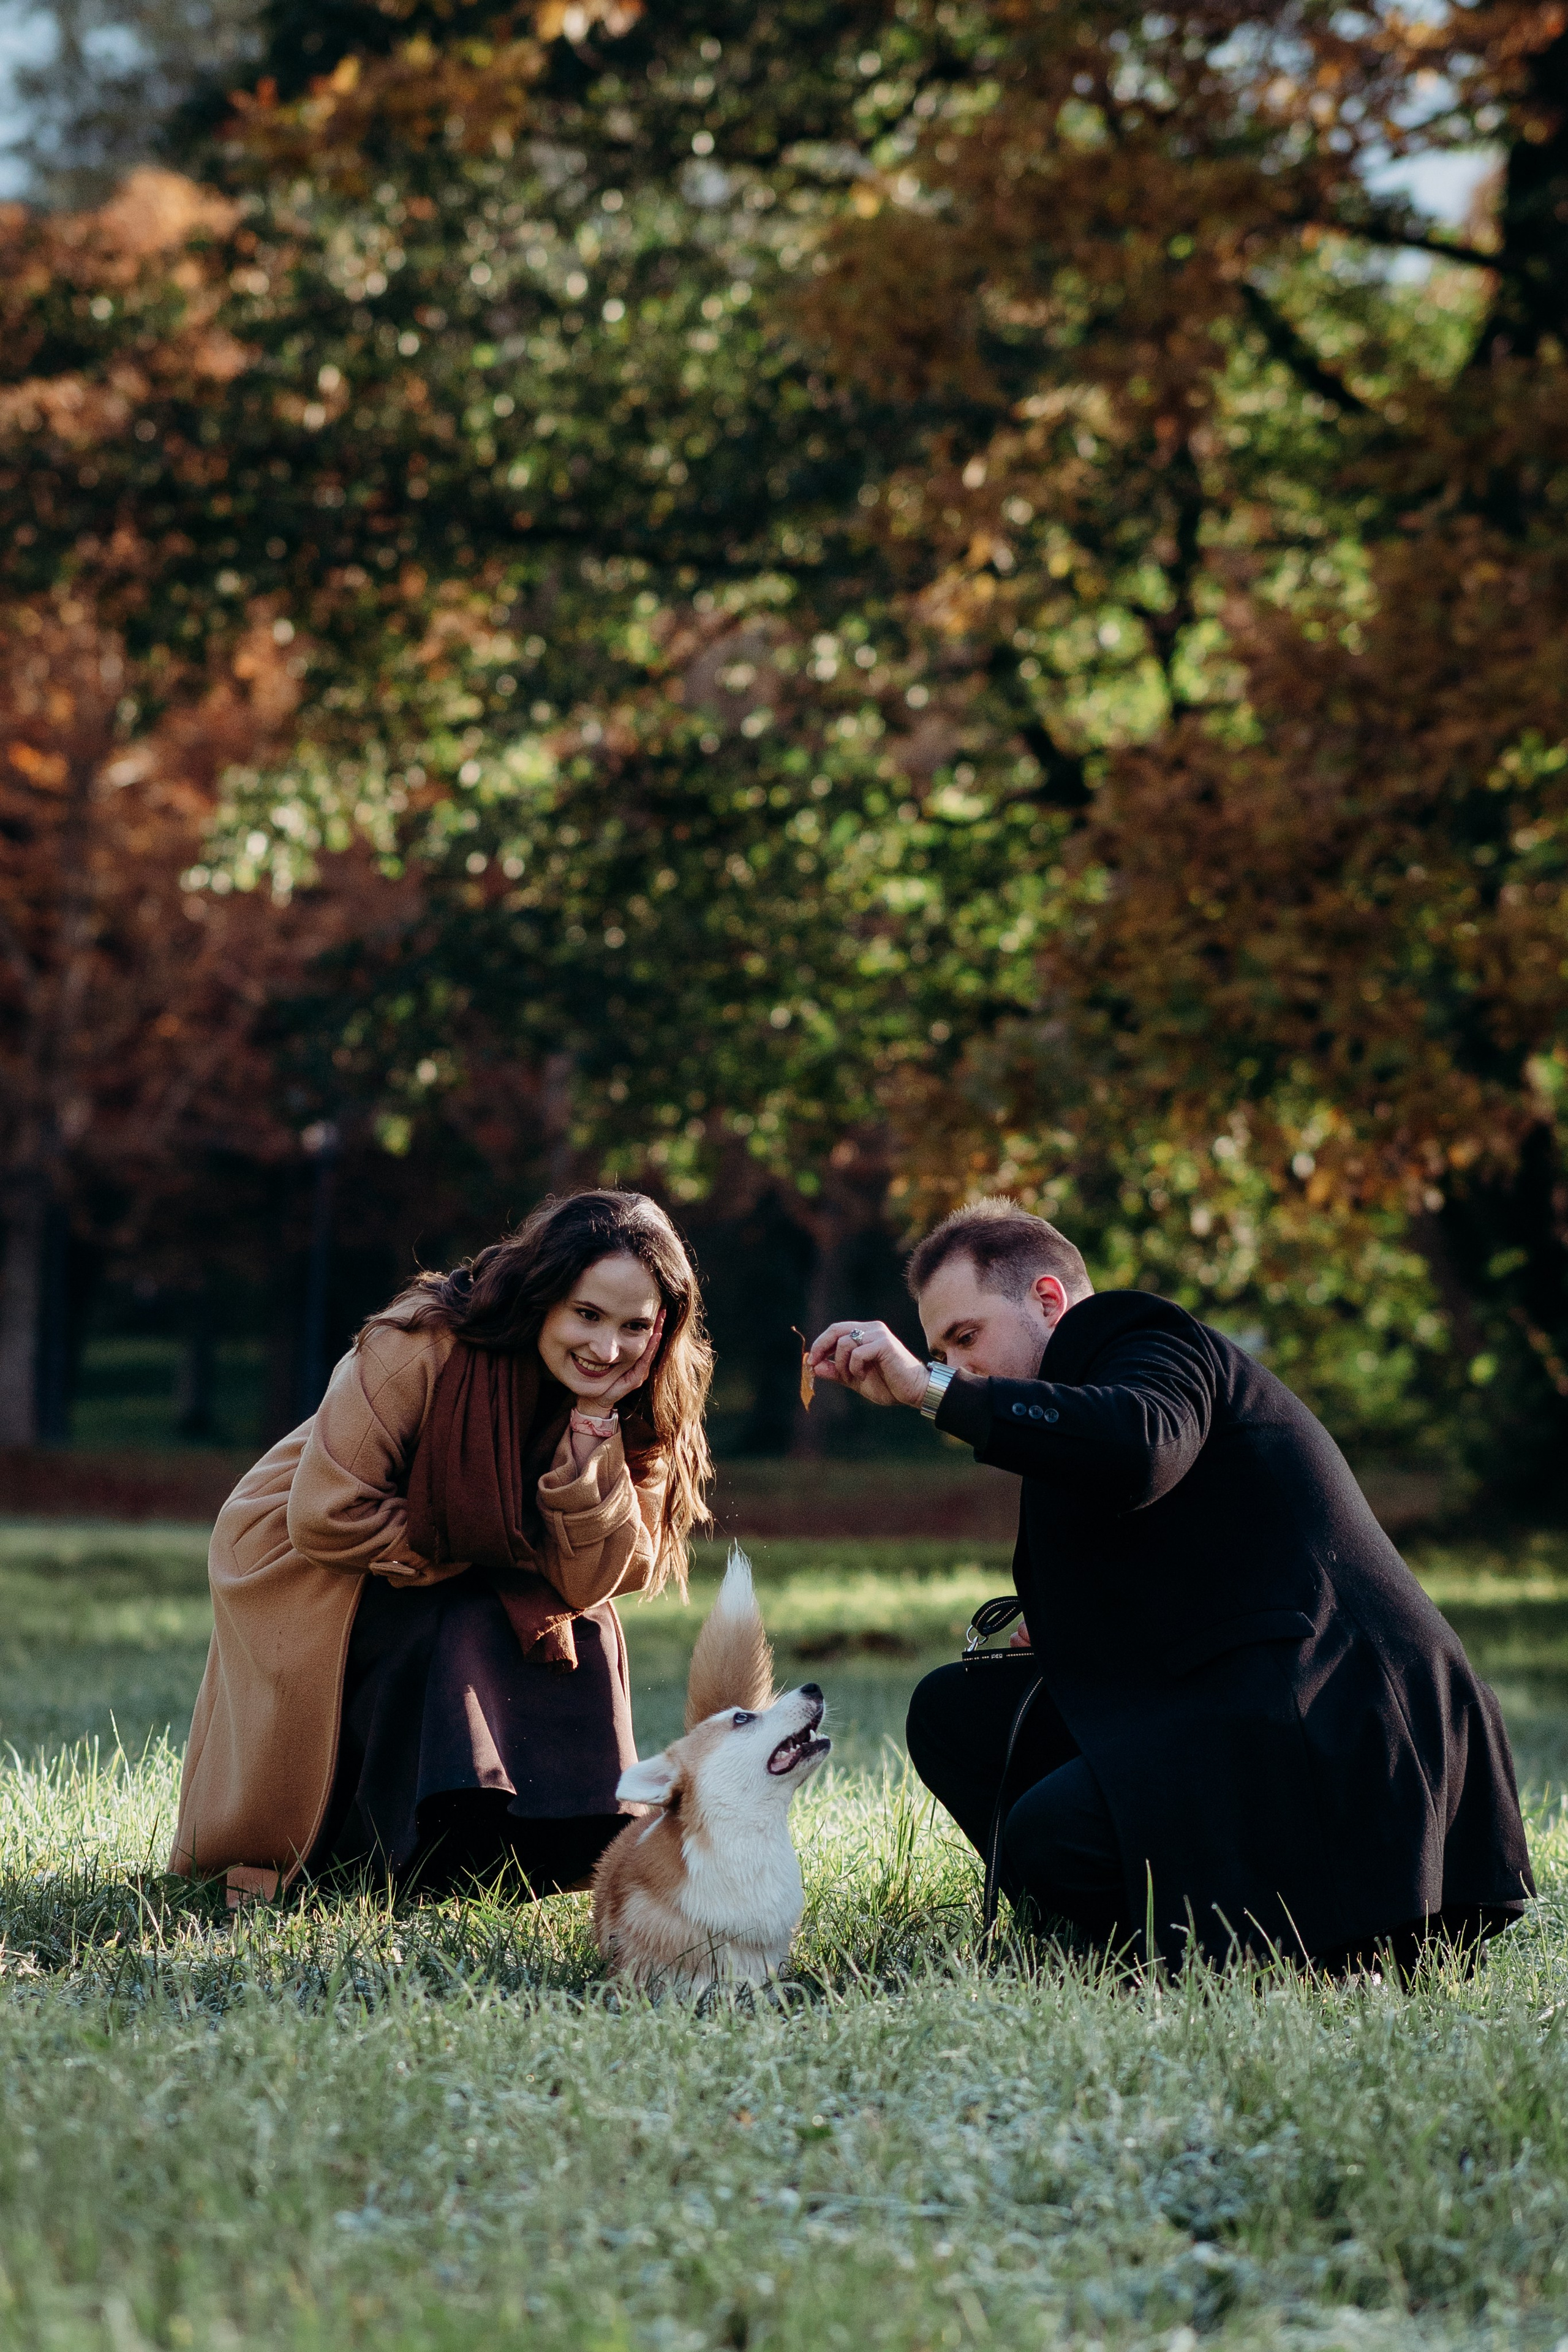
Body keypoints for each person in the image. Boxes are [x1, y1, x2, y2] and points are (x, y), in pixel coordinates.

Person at [810, 1200, 1534, 1970]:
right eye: (939, 1351)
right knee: (957, 1712)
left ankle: (1250, 1953)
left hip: (1342, 1724)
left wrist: (929, 1391)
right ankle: (1118, 1948)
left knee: (1051, 1835)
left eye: (965, 1337)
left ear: (1049, 1301)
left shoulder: (1140, 1335)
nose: (957, 1365)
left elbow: (1143, 1446)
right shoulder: (1064, 1420)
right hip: (1244, 1701)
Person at [170, 1189, 712, 1904]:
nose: (606, 1348)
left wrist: (590, 1431)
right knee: (460, 1619)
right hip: (316, 1558)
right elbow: (327, 1514)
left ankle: (489, 1856)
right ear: (541, 1294)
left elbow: (592, 1582)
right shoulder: (419, 1340)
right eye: (586, 1314)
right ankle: (369, 1856)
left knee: (573, 1628)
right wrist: (488, 1550)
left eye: (633, 1326)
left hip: (466, 1561)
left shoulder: (639, 1390)